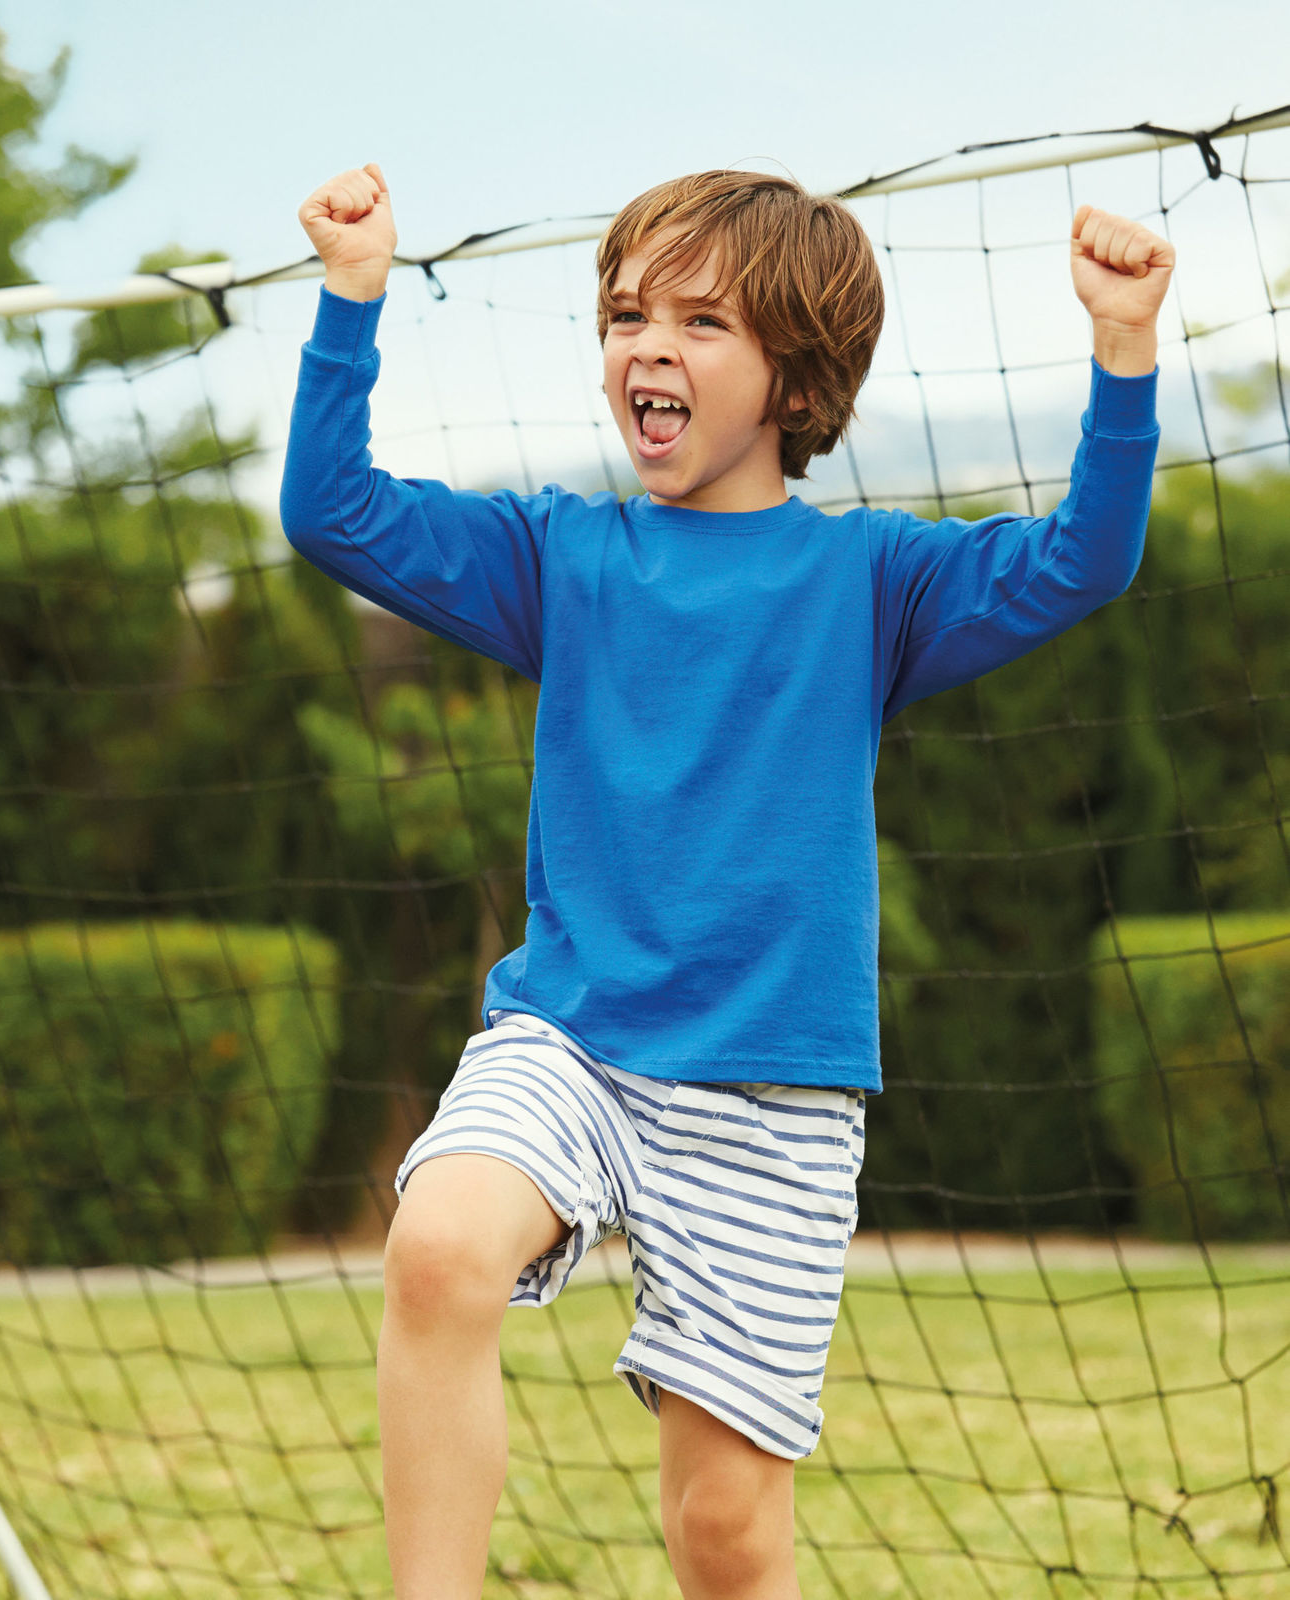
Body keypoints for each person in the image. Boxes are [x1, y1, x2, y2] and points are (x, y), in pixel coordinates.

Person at [282, 161, 1174, 1600]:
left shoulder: (873, 579)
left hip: (771, 1090)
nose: (649, 345)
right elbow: (334, 513)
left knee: (725, 1534)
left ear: (796, 382)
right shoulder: (557, 555)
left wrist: (1122, 347)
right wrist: (351, 298)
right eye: (628, 314)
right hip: (569, 1038)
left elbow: (1083, 560)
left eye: (701, 322)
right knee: (438, 1247)